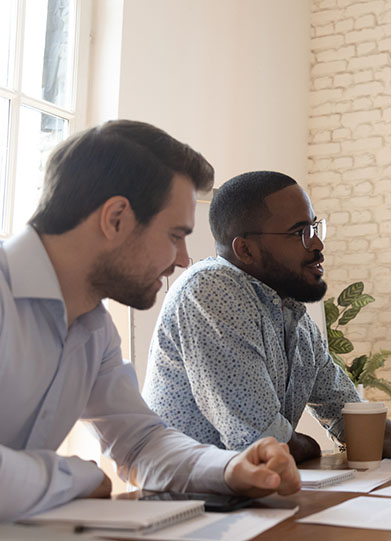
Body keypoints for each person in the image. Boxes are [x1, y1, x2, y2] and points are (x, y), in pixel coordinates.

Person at [0, 121, 301, 522]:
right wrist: (78, 476)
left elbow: (139, 442)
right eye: (176, 235)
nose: (182, 260)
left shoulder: (93, 327)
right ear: (116, 218)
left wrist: (230, 469)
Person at [143, 170, 391, 467]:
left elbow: (348, 414)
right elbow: (261, 443)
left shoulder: (291, 314)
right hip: (185, 508)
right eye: (298, 232)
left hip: (247, 501)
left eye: (315, 227)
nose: (317, 244)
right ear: (245, 250)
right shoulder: (211, 291)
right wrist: (309, 447)